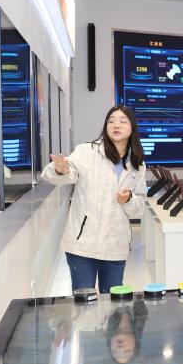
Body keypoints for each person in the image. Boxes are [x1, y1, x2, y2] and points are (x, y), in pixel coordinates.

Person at [43, 105, 147, 293]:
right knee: (84, 302)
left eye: (123, 121)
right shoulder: (87, 152)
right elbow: (68, 173)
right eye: (111, 121)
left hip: (115, 244)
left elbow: (139, 208)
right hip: (83, 244)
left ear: (132, 127)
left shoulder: (137, 165)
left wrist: (129, 199)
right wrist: (61, 169)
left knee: (113, 301)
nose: (116, 125)